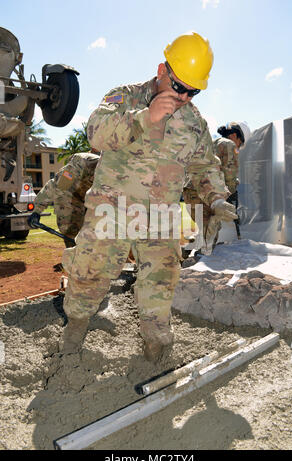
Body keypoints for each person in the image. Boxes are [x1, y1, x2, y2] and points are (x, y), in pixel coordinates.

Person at [60, 32, 237, 362]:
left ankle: (156, 347)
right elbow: (95, 133)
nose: (185, 96)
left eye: (193, 90)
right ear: (162, 70)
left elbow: (203, 165)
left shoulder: (195, 123)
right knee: (91, 272)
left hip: (160, 215)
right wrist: (146, 118)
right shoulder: (125, 96)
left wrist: (216, 197)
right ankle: (74, 332)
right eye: (179, 86)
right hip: (112, 206)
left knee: (161, 280)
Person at [183, 121, 250, 254]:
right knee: (211, 234)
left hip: (191, 190)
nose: (239, 147)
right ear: (235, 136)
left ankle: (186, 250)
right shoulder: (229, 145)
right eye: (240, 143)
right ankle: (199, 260)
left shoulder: (212, 142)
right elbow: (229, 173)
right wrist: (230, 192)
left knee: (206, 228)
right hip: (206, 192)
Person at [28, 152, 101, 247]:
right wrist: (37, 211)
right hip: (69, 195)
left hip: (89, 198)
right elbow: (56, 187)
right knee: (70, 227)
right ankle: (73, 252)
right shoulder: (81, 163)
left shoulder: (117, 173)